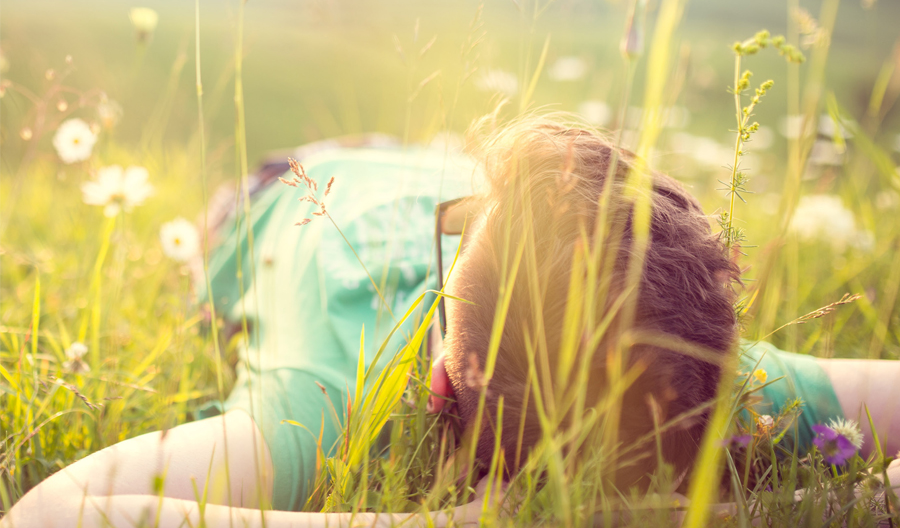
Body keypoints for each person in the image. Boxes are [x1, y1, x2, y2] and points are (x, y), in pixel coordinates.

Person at [4, 118, 899, 527]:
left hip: (337, 178)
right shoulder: (719, 390)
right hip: (293, 186)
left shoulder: (678, 372)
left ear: (440, 382)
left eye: (466, 231)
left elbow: (52, 513)